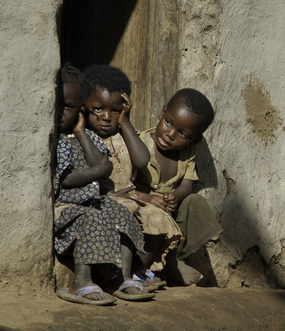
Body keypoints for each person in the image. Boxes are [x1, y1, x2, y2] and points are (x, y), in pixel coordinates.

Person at [54, 63, 154, 305]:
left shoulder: (85, 134)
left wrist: (80, 133)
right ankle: (81, 282)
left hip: (91, 202)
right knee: (92, 217)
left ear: (79, 109)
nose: (61, 113)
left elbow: (100, 163)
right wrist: (98, 171)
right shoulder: (55, 140)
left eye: (69, 108)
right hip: (66, 207)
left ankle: (123, 277)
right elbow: (65, 179)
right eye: (60, 105)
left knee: (120, 213)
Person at [83, 64, 183, 288]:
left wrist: (125, 122)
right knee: (124, 210)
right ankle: (115, 275)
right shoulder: (83, 138)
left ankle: (138, 269)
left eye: (116, 110)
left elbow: (141, 160)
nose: (107, 117)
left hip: (130, 196)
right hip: (101, 198)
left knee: (159, 217)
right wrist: (112, 194)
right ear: (84, 108)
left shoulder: (123, 135)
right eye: (98, 109)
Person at [134, 88, 223, 286]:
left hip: (168, 217)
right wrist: (147, 199)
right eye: (168, 122)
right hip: (141, 213)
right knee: (156, 220)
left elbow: (187, 185)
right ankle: (143, 268)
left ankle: (170, 258)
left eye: (182, 133)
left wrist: (175, 196)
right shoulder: (140, 144)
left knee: (195, 203)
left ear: (195, 139)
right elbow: (125, 187)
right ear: (162, 112)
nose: (170, 134)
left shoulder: (188, 153)